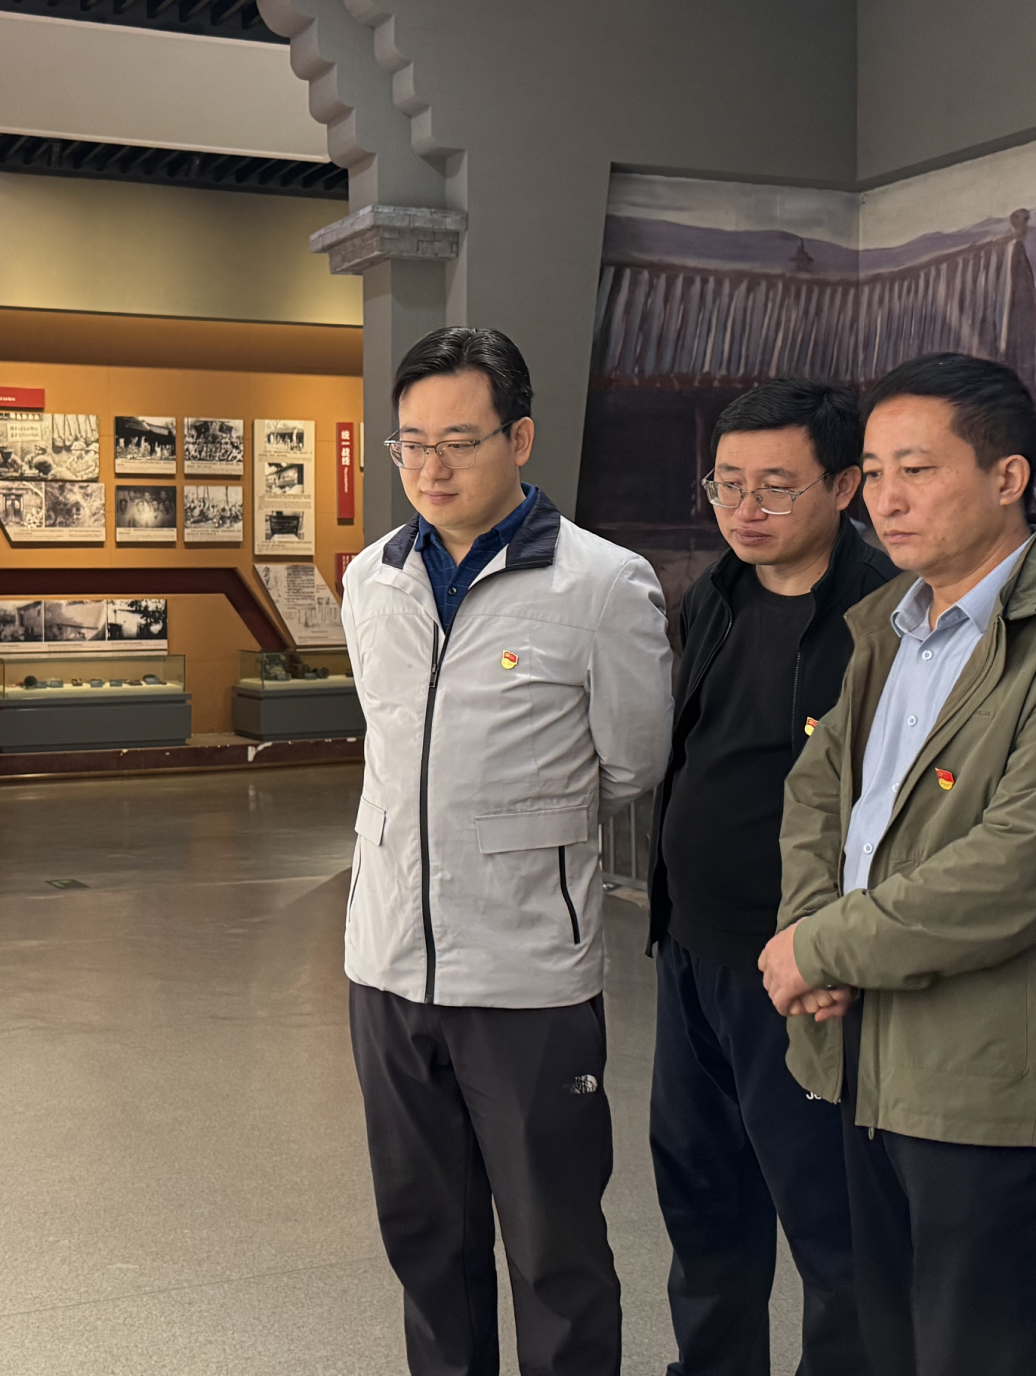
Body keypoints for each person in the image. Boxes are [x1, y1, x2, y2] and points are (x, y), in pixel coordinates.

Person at [758, 354, 1036, 1376]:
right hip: (869, 1065)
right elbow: (819, 794)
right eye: (873, 472)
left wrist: (824, 947)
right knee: (884, 1350)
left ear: (1006, 478)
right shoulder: (893, 629)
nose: (886, 499)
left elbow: (1016, 870)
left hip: (996, 1093)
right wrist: (812, 931)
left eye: (917, 469)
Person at [341, 327, 673, 1376]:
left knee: (553, 1250)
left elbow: (630, 762)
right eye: (410, 445)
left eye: (459, 442)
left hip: (526, 976)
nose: (430, 469)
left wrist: (517, 838)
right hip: (386, 967)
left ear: (519, 439)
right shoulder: (371, 579)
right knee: (424, 1240)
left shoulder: (601, 585)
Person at [647, 380, 891, 1376]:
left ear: (843, 486)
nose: (745, 509)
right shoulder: (716, 593)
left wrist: (834, 945)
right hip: (690, 957)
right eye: (726, 483)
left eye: (776, 487)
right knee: (703, 1207)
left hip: (804, 972)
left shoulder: (883, 619)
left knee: (835, 1231)